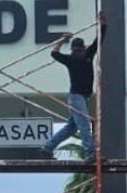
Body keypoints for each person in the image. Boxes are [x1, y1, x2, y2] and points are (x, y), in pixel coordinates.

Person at [41, 15, 107, 160]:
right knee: (84, 124)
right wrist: (62, 40)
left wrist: (102, 25)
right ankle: (91, 152)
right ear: (72, 50)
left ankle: (48, 147)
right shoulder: (70, 60)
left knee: (71, 127)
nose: (78, 53)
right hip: (76, 97)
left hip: (83, 97)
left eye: (80, 50)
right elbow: (54, 53)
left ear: (83, 49)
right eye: (76, 51)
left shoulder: (88, 55)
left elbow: (98, 40)